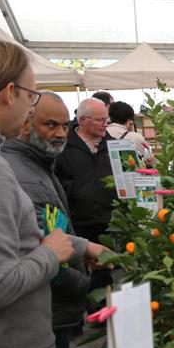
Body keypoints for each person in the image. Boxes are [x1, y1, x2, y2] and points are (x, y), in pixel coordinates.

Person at [0, 40, 97, 348]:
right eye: (34, 100)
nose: (34, 108)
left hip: (23, 345)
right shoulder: (6, 171)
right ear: (9, 93)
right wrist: (60, 258)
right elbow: (11, 271)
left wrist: (78, 246)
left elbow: (36, 234)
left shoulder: (17, 165)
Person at [56, 97, 117, 292]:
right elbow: (56, 180)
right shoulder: (63, 147)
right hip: (77, 222)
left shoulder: (114, 145)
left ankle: (103, 314)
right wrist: (76, 190)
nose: (105, 124)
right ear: (83, 120)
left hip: (109, 221)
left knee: (105, 275)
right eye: (100, 120)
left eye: (106, 119)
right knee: (77, 278)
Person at [107, 100, 153, 167]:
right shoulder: (137, 137)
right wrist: (132, 130)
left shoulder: (101, 134)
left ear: (110, 117)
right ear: (129, 121)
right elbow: (147, 160)